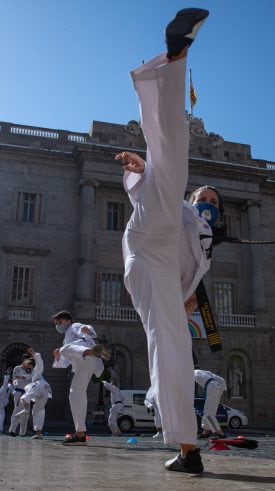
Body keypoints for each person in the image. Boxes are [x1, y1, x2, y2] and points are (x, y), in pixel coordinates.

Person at [115, 7, 214, 474]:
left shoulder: (201, 231)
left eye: (214, 203)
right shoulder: (180, 201)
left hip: (157, 266)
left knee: (173, 345)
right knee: (169, 154)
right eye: (207, 198)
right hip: (151, 228)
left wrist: (189, 296)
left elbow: (194, 266)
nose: (210, 203)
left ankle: (186, 445)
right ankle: (175, 56)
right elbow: (158, 181)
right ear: (197, 198)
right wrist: (137, 170)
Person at [51, 310, 110, 445]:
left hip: (86, 357)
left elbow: (86, 329)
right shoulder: (67, 338)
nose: (58, 325)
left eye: (59, 322)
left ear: (67, 320)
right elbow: (66, 363)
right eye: (56, 323)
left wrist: (87, 330)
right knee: (76, 394)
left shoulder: (73, 326)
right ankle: (80, 434)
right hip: (85, 363)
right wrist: (58, 357)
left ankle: (89, 352)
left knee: (64, 349)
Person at [15, 348, 51, 440]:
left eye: (28, 366)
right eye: (26, 367)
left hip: (40, 386)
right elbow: (28, 377)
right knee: (37, 411)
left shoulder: (37, 369)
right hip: (43, 391)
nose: (27, 368)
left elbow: (40, 363)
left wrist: (34, 354)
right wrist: (21, 377)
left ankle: (26, 407)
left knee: (27, 389)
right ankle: (38, 433)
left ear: (31, 365)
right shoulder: (32, 374)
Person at [195, 369, 227, 439]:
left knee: (208, 413)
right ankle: (206, 432)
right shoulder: (201, 371)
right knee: (208, 411)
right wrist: (222, 389)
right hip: (217, 387)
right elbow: (219, 378)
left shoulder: (193, 372)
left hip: (212, 388)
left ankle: (220, 433)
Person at [8, 353, 33, 437]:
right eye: (26, 359)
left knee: (25, 412)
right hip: (18, 392)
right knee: (17, 410)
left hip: (27, 393)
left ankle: (23, 432)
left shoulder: (30, 369)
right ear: (23, 360)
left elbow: (32, 378)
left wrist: (23, 377)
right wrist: (14, 387)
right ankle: (12, 430)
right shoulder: (17, 368)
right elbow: (14, 379)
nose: (27, 361)